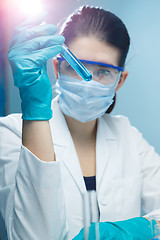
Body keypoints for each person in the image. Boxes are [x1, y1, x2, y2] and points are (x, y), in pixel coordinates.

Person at [0, 5, 160, 240]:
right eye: (77, 67)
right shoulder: (11, 133)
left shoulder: (128, 137)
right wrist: (34, 110)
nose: (88, 82)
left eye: (104, 71)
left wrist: (145, 228)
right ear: (56, 68)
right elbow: (34, 236)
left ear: (120, 80)